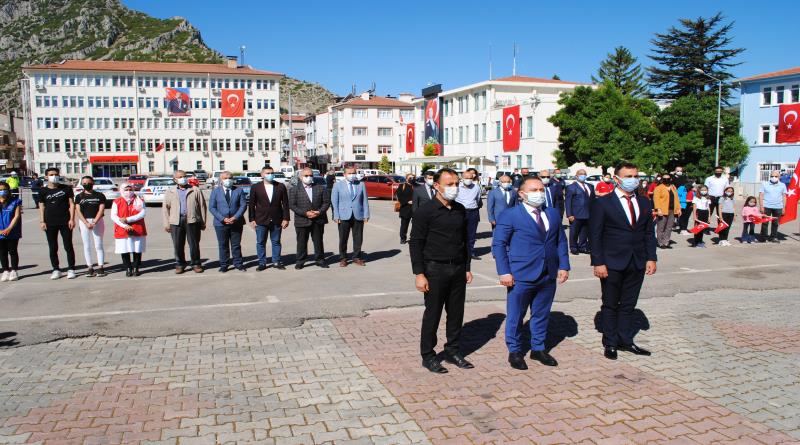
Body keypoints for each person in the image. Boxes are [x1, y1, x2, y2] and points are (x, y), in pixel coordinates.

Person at [493, 177, 570, 369]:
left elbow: (560, 240)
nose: (539, 193)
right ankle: (515, 351)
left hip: (548, 273)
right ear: (521, 194)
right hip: (520, 274)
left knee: (542, 314)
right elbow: (499, 244)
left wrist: (564, 265)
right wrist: (504, 272)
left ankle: (538, 349)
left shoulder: (552, 213)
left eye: (542, 189)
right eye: (534, 189)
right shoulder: (510, 215)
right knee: (516, 315)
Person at [589, 162, 657, 360]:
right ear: (616, 179)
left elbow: (648, 233)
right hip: (611, 262)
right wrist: (598, 262)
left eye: (635, 176)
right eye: (628, 176)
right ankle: (610, 342)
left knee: (628, 304)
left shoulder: (644, 202)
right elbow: (595, 235)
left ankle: (625, 340)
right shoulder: (603, 202)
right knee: (610, 304)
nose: (633, 180)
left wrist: (651, 257)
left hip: (637, 261)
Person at [409, 168, 474, 374]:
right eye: (450, 184)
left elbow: (465, 242)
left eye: (456, 184)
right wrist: (419, 273)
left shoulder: (460, 210)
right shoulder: (425, 211)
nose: (454, 188)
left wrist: (467, 267)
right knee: (433, 314)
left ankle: (453, 351)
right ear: (437, 186)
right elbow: (416, 243)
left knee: (456, 314)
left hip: (457, 269)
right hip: (434, 270)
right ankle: (428, 355)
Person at [163, 170, 207, 274]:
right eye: (180, 177)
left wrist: (203, 221)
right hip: (176, 221)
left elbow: (202, 206)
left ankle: (196, 263)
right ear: (175, 179)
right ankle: (180, 264)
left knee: (194, 244)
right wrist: (166, 223)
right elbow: (165, 208)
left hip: (192, 220)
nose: (183, 178)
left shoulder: (195, 190)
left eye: (184, 176)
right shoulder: (170, 191)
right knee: (178, 244)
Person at [248, 166, 290, 270]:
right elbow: (251, 204)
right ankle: (262, 263)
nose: (270, 175)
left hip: (277, 219)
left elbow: (285, 204)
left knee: (276, 241)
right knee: (261, 242)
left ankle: (276, 261)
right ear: (262, 174)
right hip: (261, 219)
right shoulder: (256, 187)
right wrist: (252, 219)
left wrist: (286, 218)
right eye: (267, 173)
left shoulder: (280, 186)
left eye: (271, 173)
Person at [288, 167, 330, 269]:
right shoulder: (294, 190)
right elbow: (292, 205)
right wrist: (305, 213)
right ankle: (301, 260)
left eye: (311, 175)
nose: (309, 177)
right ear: (301, 177)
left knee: (318, 241)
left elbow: (326, 202)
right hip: (302, 220)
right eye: (306, 176)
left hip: (318, 219)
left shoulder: (320, 188)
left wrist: (319, 212)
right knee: (301, 241)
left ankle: (320, 259)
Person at [39, 168, 76, 280]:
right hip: (50, 223)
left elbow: (72, 204)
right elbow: (41, 206)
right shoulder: (43, 191)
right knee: (53, 247)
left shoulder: (66, 188)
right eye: (51, 174)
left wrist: (72, 219)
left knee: (68, 245)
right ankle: (56, 269)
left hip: (65, 221)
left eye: (56, 174)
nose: (54, 176)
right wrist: (42, 221)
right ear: (46, 177)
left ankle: (71, 269)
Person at [331, 166, 370, 267]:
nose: (352, 175)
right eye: (350, 173)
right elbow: (334, 202)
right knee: (343, 238)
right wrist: (336, 215)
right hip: (343, 215)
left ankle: (357, 257)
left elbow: (365, 200)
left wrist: (366, 214)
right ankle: (343, 258)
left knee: (358, 238)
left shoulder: (361, 184)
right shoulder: (337, 185)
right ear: (344, 174)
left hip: (358, 214)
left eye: (354, 173)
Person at [210, 171, 248, 273]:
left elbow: (243, 205)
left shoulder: (239, 190)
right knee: (223, 245)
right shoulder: (215, 191)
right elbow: (212, 207)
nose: (228, 180)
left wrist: (235, 217)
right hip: (220, 223)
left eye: (230, 178)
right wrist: (222, 218)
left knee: (236, 245)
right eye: (225, 178)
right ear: (221, 180)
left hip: (236, 222)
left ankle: (238, 263)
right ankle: (224, 264)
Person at [110, 183, 146, 277]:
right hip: (122, 229)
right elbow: (113, 216)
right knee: (124, 249)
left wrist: (128, 219)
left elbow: (142, 213)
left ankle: (136, 268)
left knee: (137, 249)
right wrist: (124, 225)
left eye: (130, 189)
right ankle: (128, 268)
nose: (128, 191)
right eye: (126, 189)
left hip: (137, 228)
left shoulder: (139, 200)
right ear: (121, 190)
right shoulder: (117, 201)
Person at [74, 176, 107, 277]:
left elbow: (101, 209)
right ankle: (90, 267)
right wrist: (86, 223)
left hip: (97, 221)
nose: (86, 184)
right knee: (87, 245)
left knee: (98, 245)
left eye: (88, 182)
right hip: (84, 222)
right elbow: (78, 211)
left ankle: (101, 267)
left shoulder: (100, 195)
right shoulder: (79, 196)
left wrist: (94, 222)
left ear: (93, 183)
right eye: (84, 183)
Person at [565, 169, 594, 255]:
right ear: (576, 176)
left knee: (584, 232)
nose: (583, 175)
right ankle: (573, 247)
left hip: (588, 214)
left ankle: (582, 246)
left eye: (584, 174)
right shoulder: (571, 187)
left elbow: (593, 200)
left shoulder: (590, 186)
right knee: (574, 232)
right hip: (576, 214)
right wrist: (569, 214)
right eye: (581, 174)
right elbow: (568, 201)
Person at [455, 168, 482, 259]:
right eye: (466, 178)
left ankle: (471, 252)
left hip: (473, 211)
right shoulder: (457, 187)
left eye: (470, 178)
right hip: (460, 211)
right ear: (462, 178)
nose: (468, 180)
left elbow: (478, 200)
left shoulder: (476, 187)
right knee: (459, 232)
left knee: (472, 233)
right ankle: (459, 252)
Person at [0, 182, 21, 282]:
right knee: (2, 252)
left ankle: (14, 270)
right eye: (0, 190)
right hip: (0, 232)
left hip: (12, 231)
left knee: (12, 251)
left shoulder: (15, 201)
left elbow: (16, 216)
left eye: (4, 189)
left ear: (8, 190)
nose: (2, 191)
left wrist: (9, 228)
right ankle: (5, 270)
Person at [652, 173, 680, 249]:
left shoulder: (673, 187)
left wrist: (678, 209)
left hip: (672, 210)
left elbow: (676, 199)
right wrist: (658, 209)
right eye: (664, 179)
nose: (666, 180)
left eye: (668, 178)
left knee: (669, 227)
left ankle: (666, 242)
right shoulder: (659, 187)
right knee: (661, 227)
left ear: (670, 179)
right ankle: (660, 243)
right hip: (662, 210)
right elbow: (656, 199)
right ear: (662, 179)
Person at [758, 170, 787, 243]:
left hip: (778, 207)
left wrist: (784, 207)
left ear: (779, 177)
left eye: (776, 176)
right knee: (765, 222)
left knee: (775, 223)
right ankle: (763, 237)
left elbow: (784, 196)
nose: (774, 177)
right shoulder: (765, 184)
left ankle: (773, 237)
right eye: (772, 176)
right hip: (766, 206)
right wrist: (761, 206)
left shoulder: (782, 185)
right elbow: (761, 195)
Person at [396, 173, 416, 244]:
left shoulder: (416, 186)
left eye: (413, 178)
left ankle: (413, 237)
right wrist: (407, 201)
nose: (412, 179)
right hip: (405, 208)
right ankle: (403, 238)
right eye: (410, 178)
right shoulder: (402, 186)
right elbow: (399, 196)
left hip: (415, 209)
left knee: (416, 225)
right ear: (406, 178)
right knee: (404, 225)